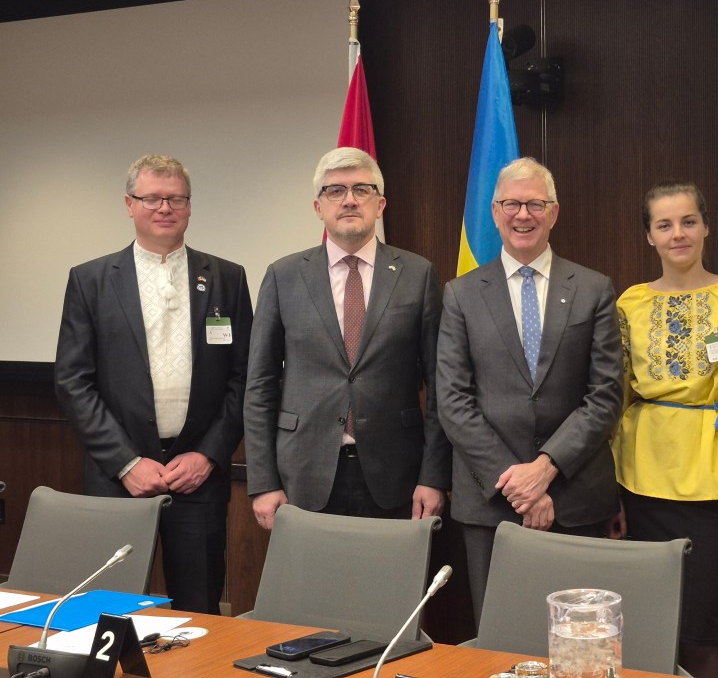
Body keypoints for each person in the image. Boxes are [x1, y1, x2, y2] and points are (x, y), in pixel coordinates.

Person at [54, 154, 252, 614]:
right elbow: (73, 381)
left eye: (176, 199)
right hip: (118, 478)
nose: (164, 208)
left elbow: (244, 377)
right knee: (109, 611)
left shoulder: (226, 277)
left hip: (198, 478)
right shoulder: (92, 280)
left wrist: (208, 455)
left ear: (189, 206)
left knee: (200, 611)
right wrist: (126, 462)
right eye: (152, 198)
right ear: (129, 204)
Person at [610, 181, 718, 678]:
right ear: (649, 236)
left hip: (716, 486)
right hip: (640, 483)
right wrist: (611, 494)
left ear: (707, 227)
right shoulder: (630, 304)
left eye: (688, 221)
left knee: (700, 633)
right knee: (645, 630)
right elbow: (614, 398)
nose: (678, 234)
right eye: (664, 225)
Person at [436, 156, 623, 626]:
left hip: (575, 497)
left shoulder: (594, 289)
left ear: (554, 212)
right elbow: (453, 401)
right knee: (500, 633)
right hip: (491, 501)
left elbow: (605, 396)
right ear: (495, 213)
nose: (524, 215)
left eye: (535, 204)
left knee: (580, 638)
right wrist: (517, 483)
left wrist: (545, 469)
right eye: (512, 204)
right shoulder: (459, 294)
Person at [244, 147, 450, 529]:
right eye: (335, 191)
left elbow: (441, 386)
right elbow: (259, 385)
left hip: (396, 475)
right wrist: (262, 481)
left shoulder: (418, 275)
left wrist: (433, 475)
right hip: (302, 475)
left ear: (380, 203)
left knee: (388, 587)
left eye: (361, 189)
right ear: (318, 207)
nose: (349, 200)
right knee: (309, 588)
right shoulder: (284, 276)